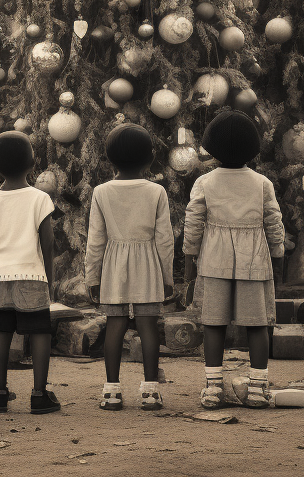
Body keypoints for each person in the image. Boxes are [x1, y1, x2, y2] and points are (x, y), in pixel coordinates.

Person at [183, 109, 285, 410]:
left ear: (212, 147)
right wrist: (277, 259)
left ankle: (213, 388)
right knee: (257, 325)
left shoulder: (204, 182)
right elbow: (274, 225)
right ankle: (257, 388)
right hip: (255, 261)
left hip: (214, 261)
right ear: (253, 148)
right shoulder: (262, 184)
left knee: (213, 324)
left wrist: (189, 270)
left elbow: (193, 226)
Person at [84, 123, 173, 411]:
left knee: (115, 324)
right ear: (150, 158)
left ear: (110, 159)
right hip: (148, 264)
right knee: (148, 325)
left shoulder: (101, 192)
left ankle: (111, 391)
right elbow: (165, 240)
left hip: (113, 266)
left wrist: (92, 276)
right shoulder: (157, 192)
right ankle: (150, 392)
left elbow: (95, 240)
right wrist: (167, 277)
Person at [0, 130, 61, 414]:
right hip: (32, 276)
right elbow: (47, 245)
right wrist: (49, 280)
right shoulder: (40, 198)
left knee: (1, 332)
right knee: (39, 333)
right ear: (33, 162)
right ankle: (39, 394)